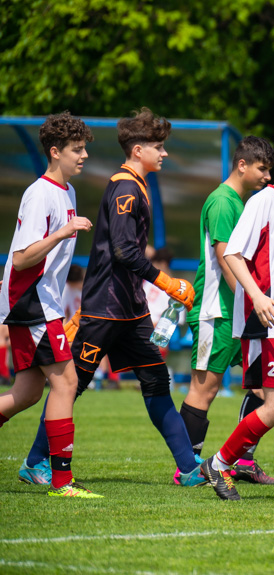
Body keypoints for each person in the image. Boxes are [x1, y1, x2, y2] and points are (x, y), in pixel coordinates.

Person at [20, 107, 204, 487]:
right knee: (70, 387)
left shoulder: (138, 185)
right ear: (138, 150)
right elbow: (123, 250)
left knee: (156, 382)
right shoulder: (124, 187)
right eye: (158, 146)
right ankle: (35, 462)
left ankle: (188, 468)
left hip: (131, 310)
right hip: (105, 308)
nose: (164, 153)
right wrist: (167, 283)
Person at [199, 129, 274, 503]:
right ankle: (218, 465)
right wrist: (258, 298)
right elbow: (233, 254)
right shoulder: (264, 202)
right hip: (265, 324)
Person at [0, 111, 101, 497]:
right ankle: (62, 481)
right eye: (77, 150)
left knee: (27, 393)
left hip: (41, 302)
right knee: (67, 382)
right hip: (30, 302)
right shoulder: (40, 192)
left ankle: (49, 474)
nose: (84, 156)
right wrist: (63, 231)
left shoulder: (68, 193)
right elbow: (23, 257)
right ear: (55, 152)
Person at [180, 136, 274, 487]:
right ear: (242, 165)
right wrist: (250, 303)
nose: (268, 176)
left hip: (236, 312)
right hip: (217, 311)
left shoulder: (241, 202)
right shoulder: (223, 201)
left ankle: (243, 461)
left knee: (267, 388)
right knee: (204, 387)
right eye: (262, 169)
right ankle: (187, 467)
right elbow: (225, 258)